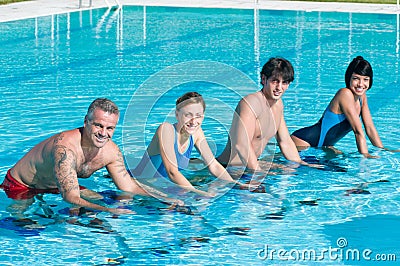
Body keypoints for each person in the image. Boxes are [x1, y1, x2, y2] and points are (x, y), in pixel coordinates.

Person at [1, 98, 150, 215]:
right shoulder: (65, 149)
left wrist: (165, 199)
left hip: (58, 185)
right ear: (86, 122)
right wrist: (109, 211)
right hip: (22, 185)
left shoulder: (112, 151)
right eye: (98, 125)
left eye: (109, 128)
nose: (103, 133)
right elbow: (70, 197)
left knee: (101, 200)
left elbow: (129, 187)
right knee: (22, 220)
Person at [131, 92, 248, 197]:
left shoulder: (197, 132)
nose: (193, 121)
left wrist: (235, 184)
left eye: (198, 115)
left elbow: (213, 165)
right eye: (188, 115)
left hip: (165, 186)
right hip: (140, 187)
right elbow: (172, 172)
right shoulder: (166, 130)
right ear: (177, 115)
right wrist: (198, 192)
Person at [291, 56, 398, 158]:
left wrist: (382, 150)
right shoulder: (344, 94)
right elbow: (358, 131)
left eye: (365, 79)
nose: (361, 84)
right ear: (349, 78)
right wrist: (365, 157)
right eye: (356, 78)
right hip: (303, 143)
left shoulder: (362, 97)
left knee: (339, 167)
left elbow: (369, 128)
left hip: (323, 146)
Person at [217, 57, 310, 172]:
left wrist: (300, 164)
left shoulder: (278, 104)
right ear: (263, 79)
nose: (279, 88)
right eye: (275, 81)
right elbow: (241, 145)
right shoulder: (250, 104)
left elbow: (284, 141)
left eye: (284, 82)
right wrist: (257, 173)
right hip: (227, 168)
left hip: (250, 166)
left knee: (292, 171)